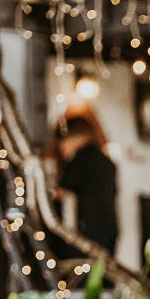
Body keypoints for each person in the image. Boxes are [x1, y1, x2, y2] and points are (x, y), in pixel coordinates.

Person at [53, 109, 119, 256]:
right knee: (105, 274)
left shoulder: (80, 159)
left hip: (90, 231)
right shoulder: (105, 159)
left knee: (86, 276)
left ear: (69, 138)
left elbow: (61, 193)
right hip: (110, 228)